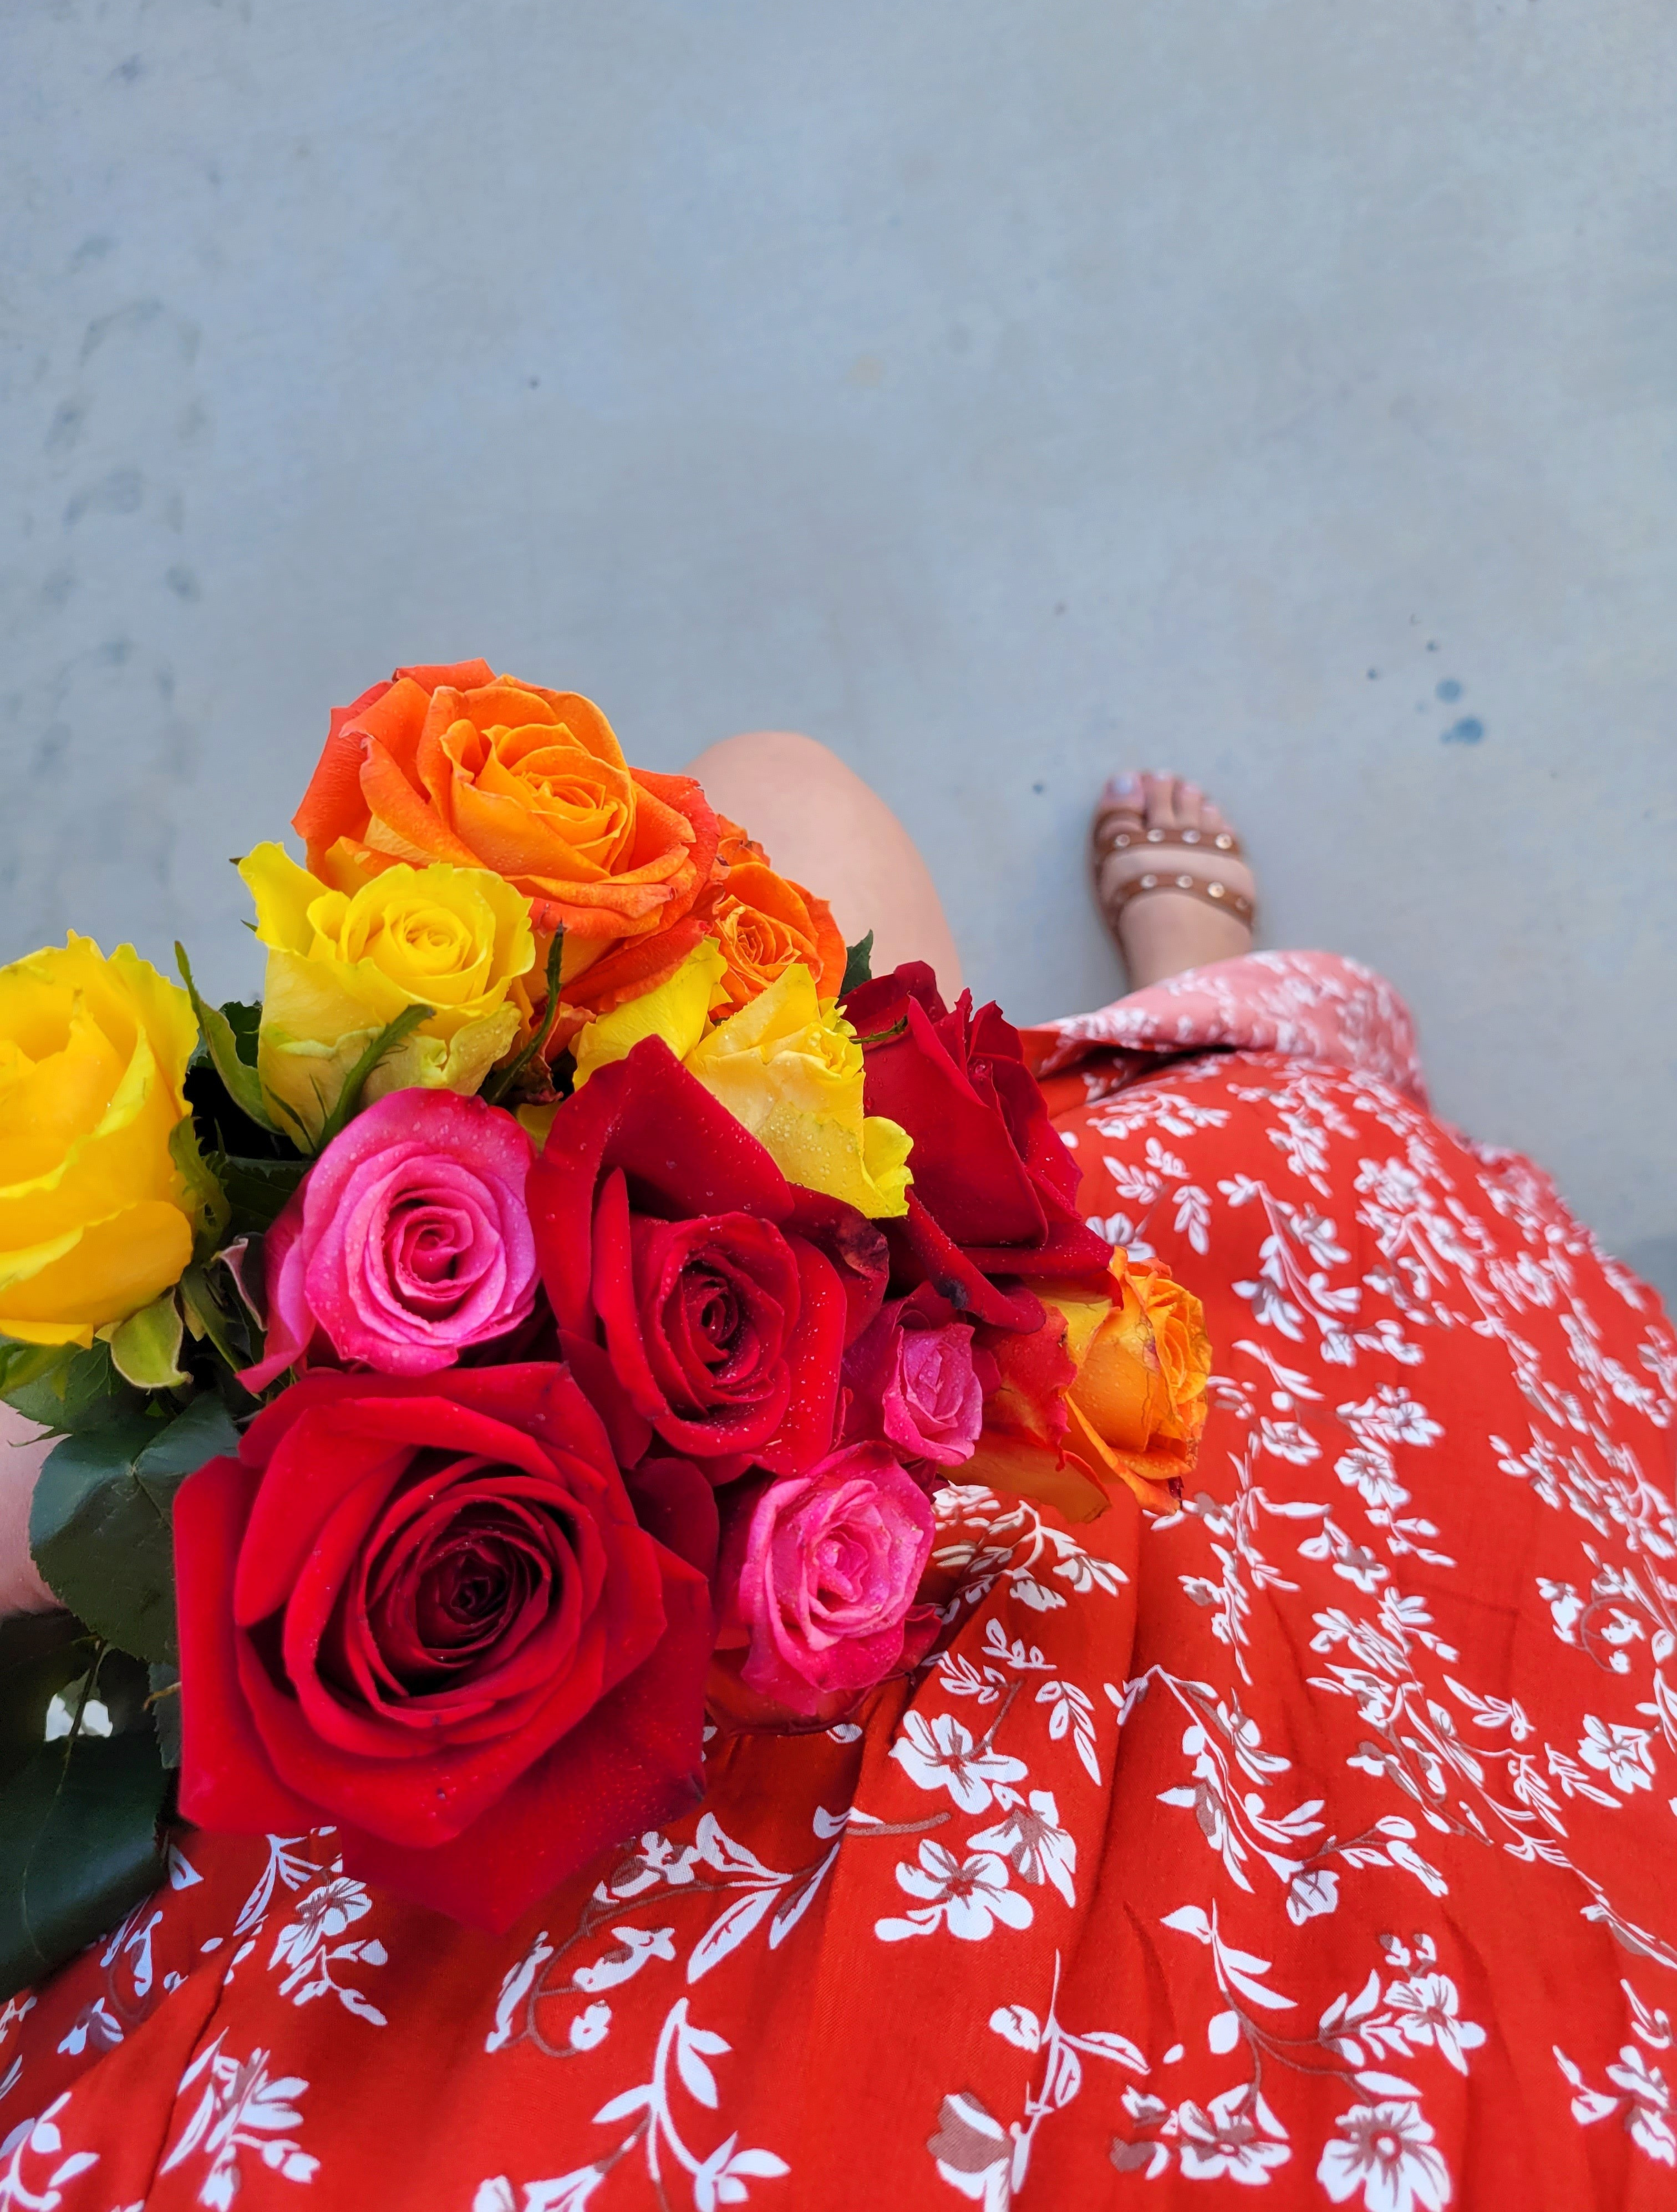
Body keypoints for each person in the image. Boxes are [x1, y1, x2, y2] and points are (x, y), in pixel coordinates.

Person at [2, 744, 1673, 2211]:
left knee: (802, 906)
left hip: (453, 1874)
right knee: (941, 1121)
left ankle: (910, 1166)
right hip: (1086, 1719)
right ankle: (1090, 1088)